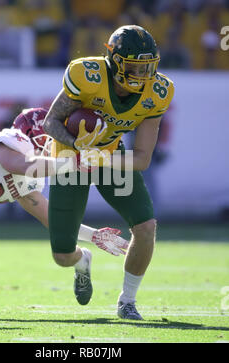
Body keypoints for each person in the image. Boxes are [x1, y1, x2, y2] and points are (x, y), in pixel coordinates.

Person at [43, 25, 174, 320]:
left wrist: (100, 157)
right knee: (62, 255)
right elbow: (50, 123)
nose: (142, 76)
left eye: (147, 68)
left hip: (109, 155)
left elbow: (141, 159)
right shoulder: (86, 75)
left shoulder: (158, 91)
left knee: (146, 227)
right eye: (134, 68)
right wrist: (78, 145)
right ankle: (82, 261)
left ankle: (127, 301)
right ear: (115, 61)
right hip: (69, 158)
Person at [0, 107, 128, 257]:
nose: (58, 143)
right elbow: (23, 164)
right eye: (54, 137)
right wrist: (74, 162)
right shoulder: (12, 142)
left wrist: (93, 236)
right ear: (36, 133)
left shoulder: (30, 180)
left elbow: (53, 219)